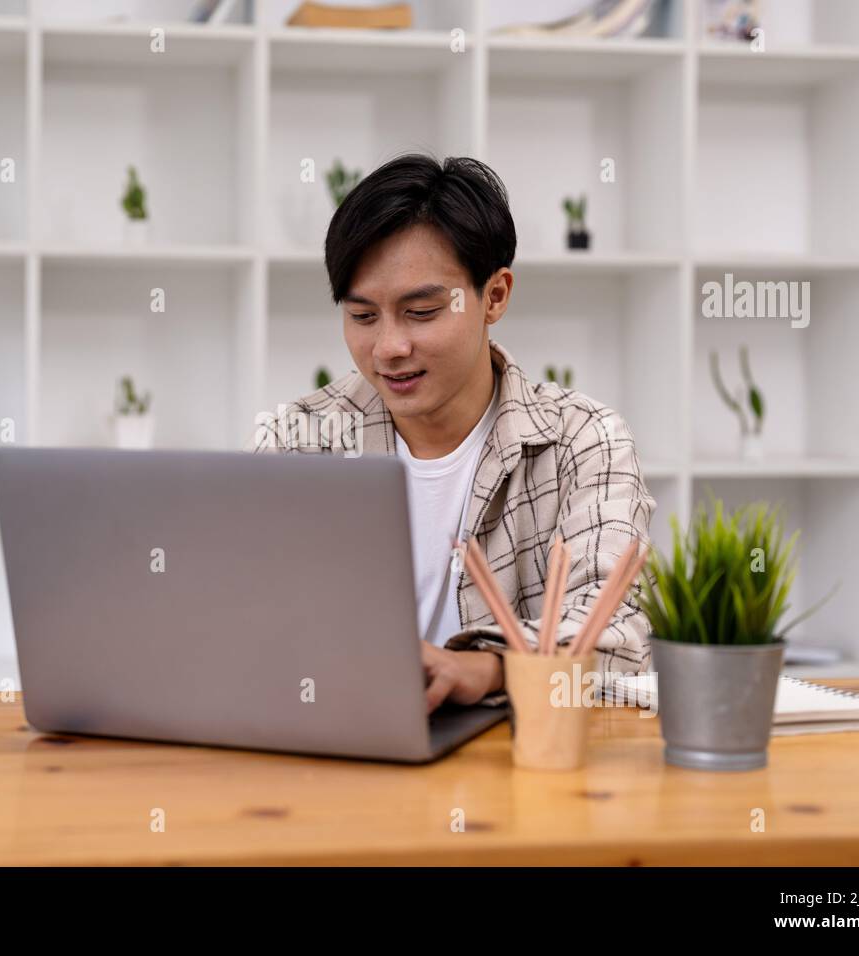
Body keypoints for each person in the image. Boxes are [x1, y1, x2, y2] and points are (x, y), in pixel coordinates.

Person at [246, 153, 656, 713]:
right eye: (363, 317)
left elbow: (619, 639)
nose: (388, 347)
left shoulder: (582, 441)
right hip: (333, 750)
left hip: (513, 765)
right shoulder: (300, 440)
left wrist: (486, 669)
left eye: (421, 311)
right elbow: (240, 629)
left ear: (495, 296)